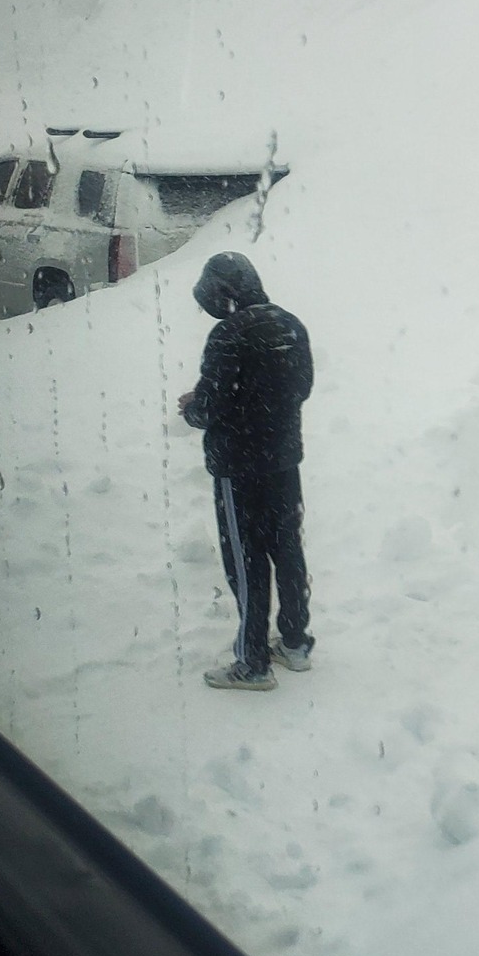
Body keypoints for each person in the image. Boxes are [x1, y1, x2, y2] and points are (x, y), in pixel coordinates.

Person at [177, 252, 315, 692]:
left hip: (238, 468)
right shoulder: (290, 324)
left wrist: (192, 406)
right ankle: (294, 641)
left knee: (246, 561)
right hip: (283, 461)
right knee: (287, 551)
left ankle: (253, 663)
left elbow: (209, 407)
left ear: (223, 293)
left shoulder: (228, 334)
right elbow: (301, 388)